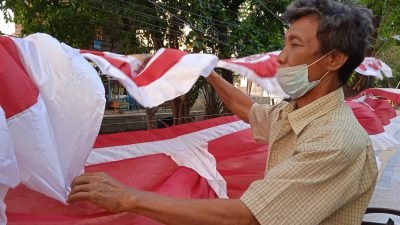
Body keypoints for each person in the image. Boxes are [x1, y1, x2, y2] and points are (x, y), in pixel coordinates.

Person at [68, 0, 378, 224]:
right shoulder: (297, 112)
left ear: (334, 59)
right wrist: (209, 73)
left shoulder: (334, 141)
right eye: (285, 44)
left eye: (295, 45)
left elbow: (248, 216)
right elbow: (249, 110)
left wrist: (127, 198)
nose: (282, 58)